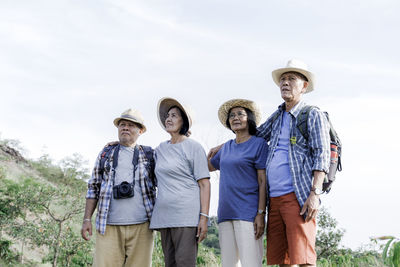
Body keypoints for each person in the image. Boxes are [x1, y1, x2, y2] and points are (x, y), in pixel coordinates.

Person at [209, 59, 330, 267]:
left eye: (292, 78)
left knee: (303, 259)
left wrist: (315, 193)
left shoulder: (312, 115)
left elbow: (322, 154)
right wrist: (224, 145)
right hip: (274, 199)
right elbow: (254, 135)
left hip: (297, 196)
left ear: (304, 86)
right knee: (282, 259)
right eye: (282, 79)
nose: (285, 83)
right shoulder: (277, 115)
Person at [81, 109, 156, 267]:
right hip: (108, 226)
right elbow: (93, 187)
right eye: (122, 125)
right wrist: (87, 219)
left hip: (142, 227)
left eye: (131, 125)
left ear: (140, 130)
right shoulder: (106, 154)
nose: (125, 128)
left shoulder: (149, 155)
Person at [149, 97, 211, 267]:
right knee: (170, 263)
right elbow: (138, 153)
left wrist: (204, 218)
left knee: (185, 263)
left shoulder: (193, 147)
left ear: (183, 121)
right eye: (168, 116)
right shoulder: (160, 149)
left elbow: (204, 184)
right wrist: (117, 144)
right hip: (164, 216)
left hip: (186, 216)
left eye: (174, 115)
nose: (168, 119)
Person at [208, 99, 268, 267]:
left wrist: (261, 213)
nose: (235, 118)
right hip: (225, 213)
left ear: (249, 118)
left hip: (248, 213)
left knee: (250, 263)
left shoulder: (259, 144)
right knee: (228, 264)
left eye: (240, 114)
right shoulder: (226, 147)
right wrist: (208, 151)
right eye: (232, 115)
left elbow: (263, 181)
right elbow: (207, 167)